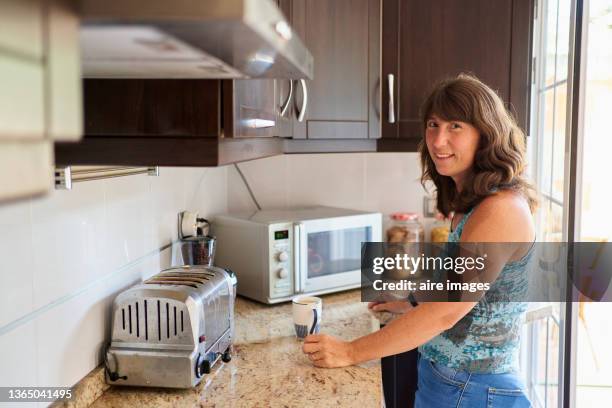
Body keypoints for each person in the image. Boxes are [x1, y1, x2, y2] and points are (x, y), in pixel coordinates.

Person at [301, 74, 538, 407]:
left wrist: (350, 351)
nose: (438, 141)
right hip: (451, 380)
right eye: (433, 124)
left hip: (472, 388)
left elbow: (447, 311)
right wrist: (413, 300)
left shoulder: (500, 210)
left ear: (486, 134)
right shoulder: (475, 202)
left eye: (455, 126)